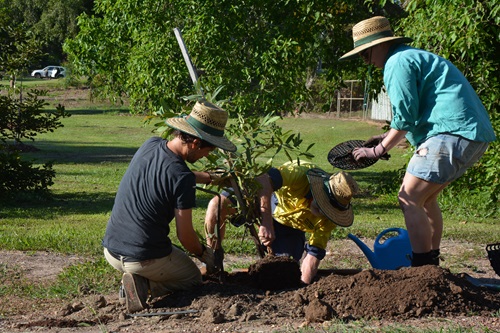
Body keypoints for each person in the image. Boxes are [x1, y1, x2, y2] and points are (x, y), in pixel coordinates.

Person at [339, 16, 496, 267]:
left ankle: (422, 269)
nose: (364, 59)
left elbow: (405, 117)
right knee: (425, 200)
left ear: (379, 44)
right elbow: (414, 117)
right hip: (470, 134)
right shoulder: (410, 57)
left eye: (364, 52)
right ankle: (431, 263)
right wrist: (385, 137)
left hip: (452, 133)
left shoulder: (396, 63)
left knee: (409, 198)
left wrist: (378, 150)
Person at [102, 99, 237, 313]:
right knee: (192, 278)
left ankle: (136, 280)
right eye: (208, 150)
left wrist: (209, 177)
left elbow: (171, 176)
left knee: (171, 260)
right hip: (141, 257)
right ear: (195, 143)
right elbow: (185, 236)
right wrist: (205, 253)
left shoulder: (151, 144)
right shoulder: (181, 178)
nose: (207, 155)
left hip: (111, 250)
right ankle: (144, 286)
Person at [204, 161, 359, 284]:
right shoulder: (301, 173)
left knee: (283, 271)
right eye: (322, 205)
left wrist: (302, 286)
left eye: (328, 210)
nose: (323, 212)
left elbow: (314, 253)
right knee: (217, 205)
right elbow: (263, 179)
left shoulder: (328, 220)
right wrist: (266, 222)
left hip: (288, 228)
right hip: (262, 199)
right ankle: (214, 266)